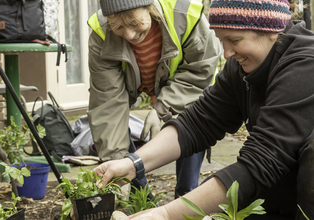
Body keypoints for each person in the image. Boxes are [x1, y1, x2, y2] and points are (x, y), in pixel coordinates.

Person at [93, 0, 314, 219]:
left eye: (234, 40)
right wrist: (133, 163)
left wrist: (166, 214)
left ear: (271, 30)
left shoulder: (305, 66)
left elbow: (262, 160)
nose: (226, 53)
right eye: (221, 40)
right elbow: (198, 123)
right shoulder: (242, 67)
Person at [87, 0, 221, 198]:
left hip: (185, 87)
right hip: (140, 82)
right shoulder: (101, 33)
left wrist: (162, 107)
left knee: (192, 117)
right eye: (118, 27)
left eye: (134, 23)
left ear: (150, 8)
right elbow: (108, 103)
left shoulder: (186, 16)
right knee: (114, 131)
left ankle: (187, 196)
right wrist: (115, 164)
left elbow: (200, 72)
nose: (130, 35)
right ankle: (141, 198)